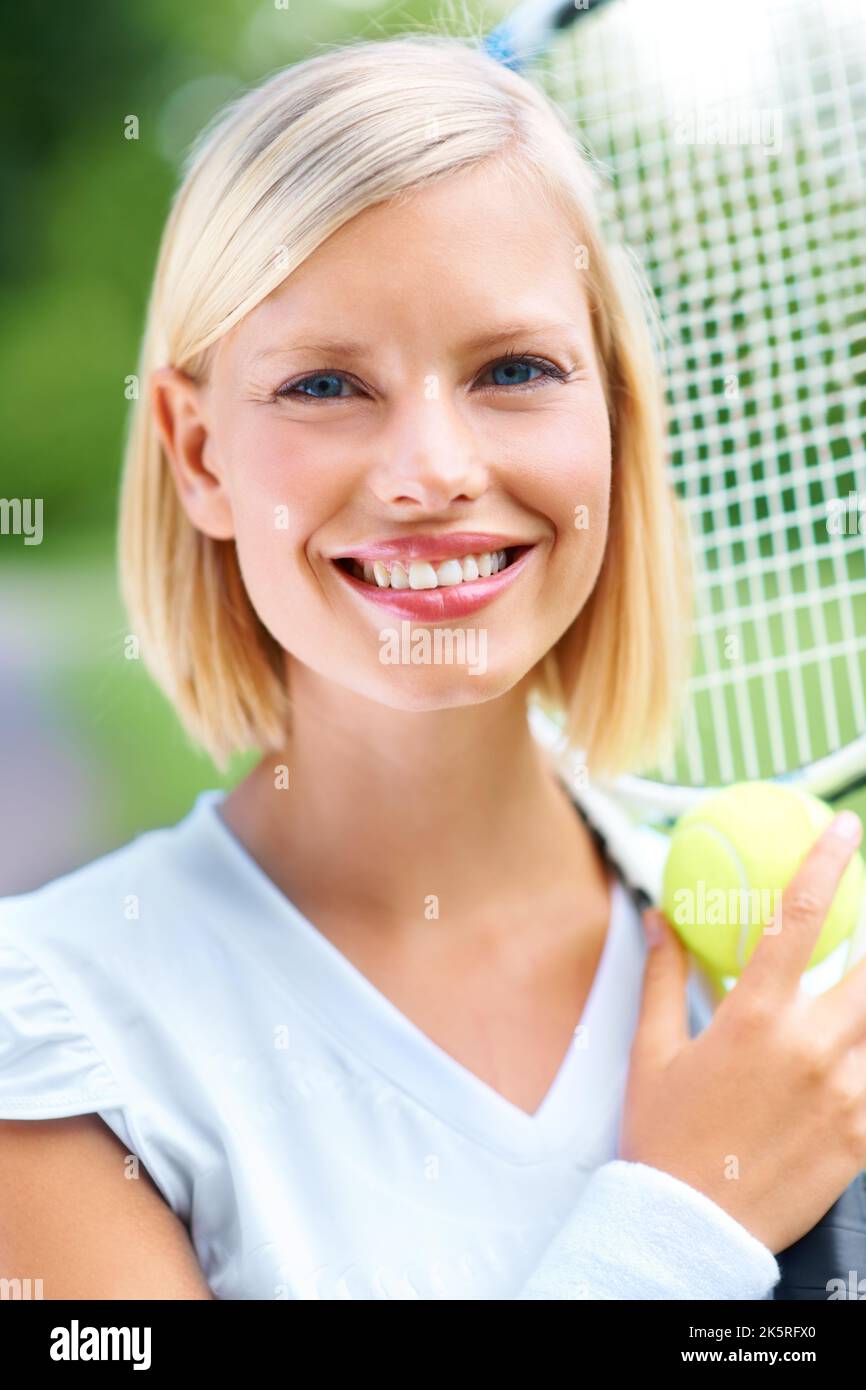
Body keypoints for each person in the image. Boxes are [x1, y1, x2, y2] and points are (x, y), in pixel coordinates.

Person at [2, 34, 865, 1301]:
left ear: (613, 419)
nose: (430, 470)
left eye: (513, 370)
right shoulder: (57, 1033)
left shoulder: (794, 995)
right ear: (198, 455)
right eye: (324, 384)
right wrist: (682, 1226)